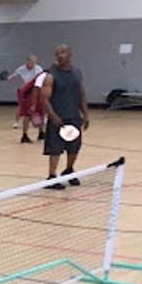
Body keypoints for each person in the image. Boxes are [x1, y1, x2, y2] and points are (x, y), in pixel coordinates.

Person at [40, 44, 90, 190]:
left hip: (73, 117)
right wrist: (53, 116)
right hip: (58, 118)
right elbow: (44, 99)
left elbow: (81, 95)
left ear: (69, 54)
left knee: (74, 148)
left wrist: (85, 113)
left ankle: (69, 170)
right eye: (57, 53)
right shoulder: (50, 76)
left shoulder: (77, 73)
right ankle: (51, 176)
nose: (59, 55)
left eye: (62, 52)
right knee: (55, 149)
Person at [6, 55, 45, 143]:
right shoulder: (21, 69)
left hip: (36, 91)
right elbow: (13, 75)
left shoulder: (38, 69)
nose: (32, 64)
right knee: (27, 113)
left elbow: (41, 81)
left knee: (40, 112)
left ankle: (41, 133)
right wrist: (9, 77)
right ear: (27, 61)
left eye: (34, 62)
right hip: (26, 92)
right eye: (31, 62)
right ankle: (24, 135)